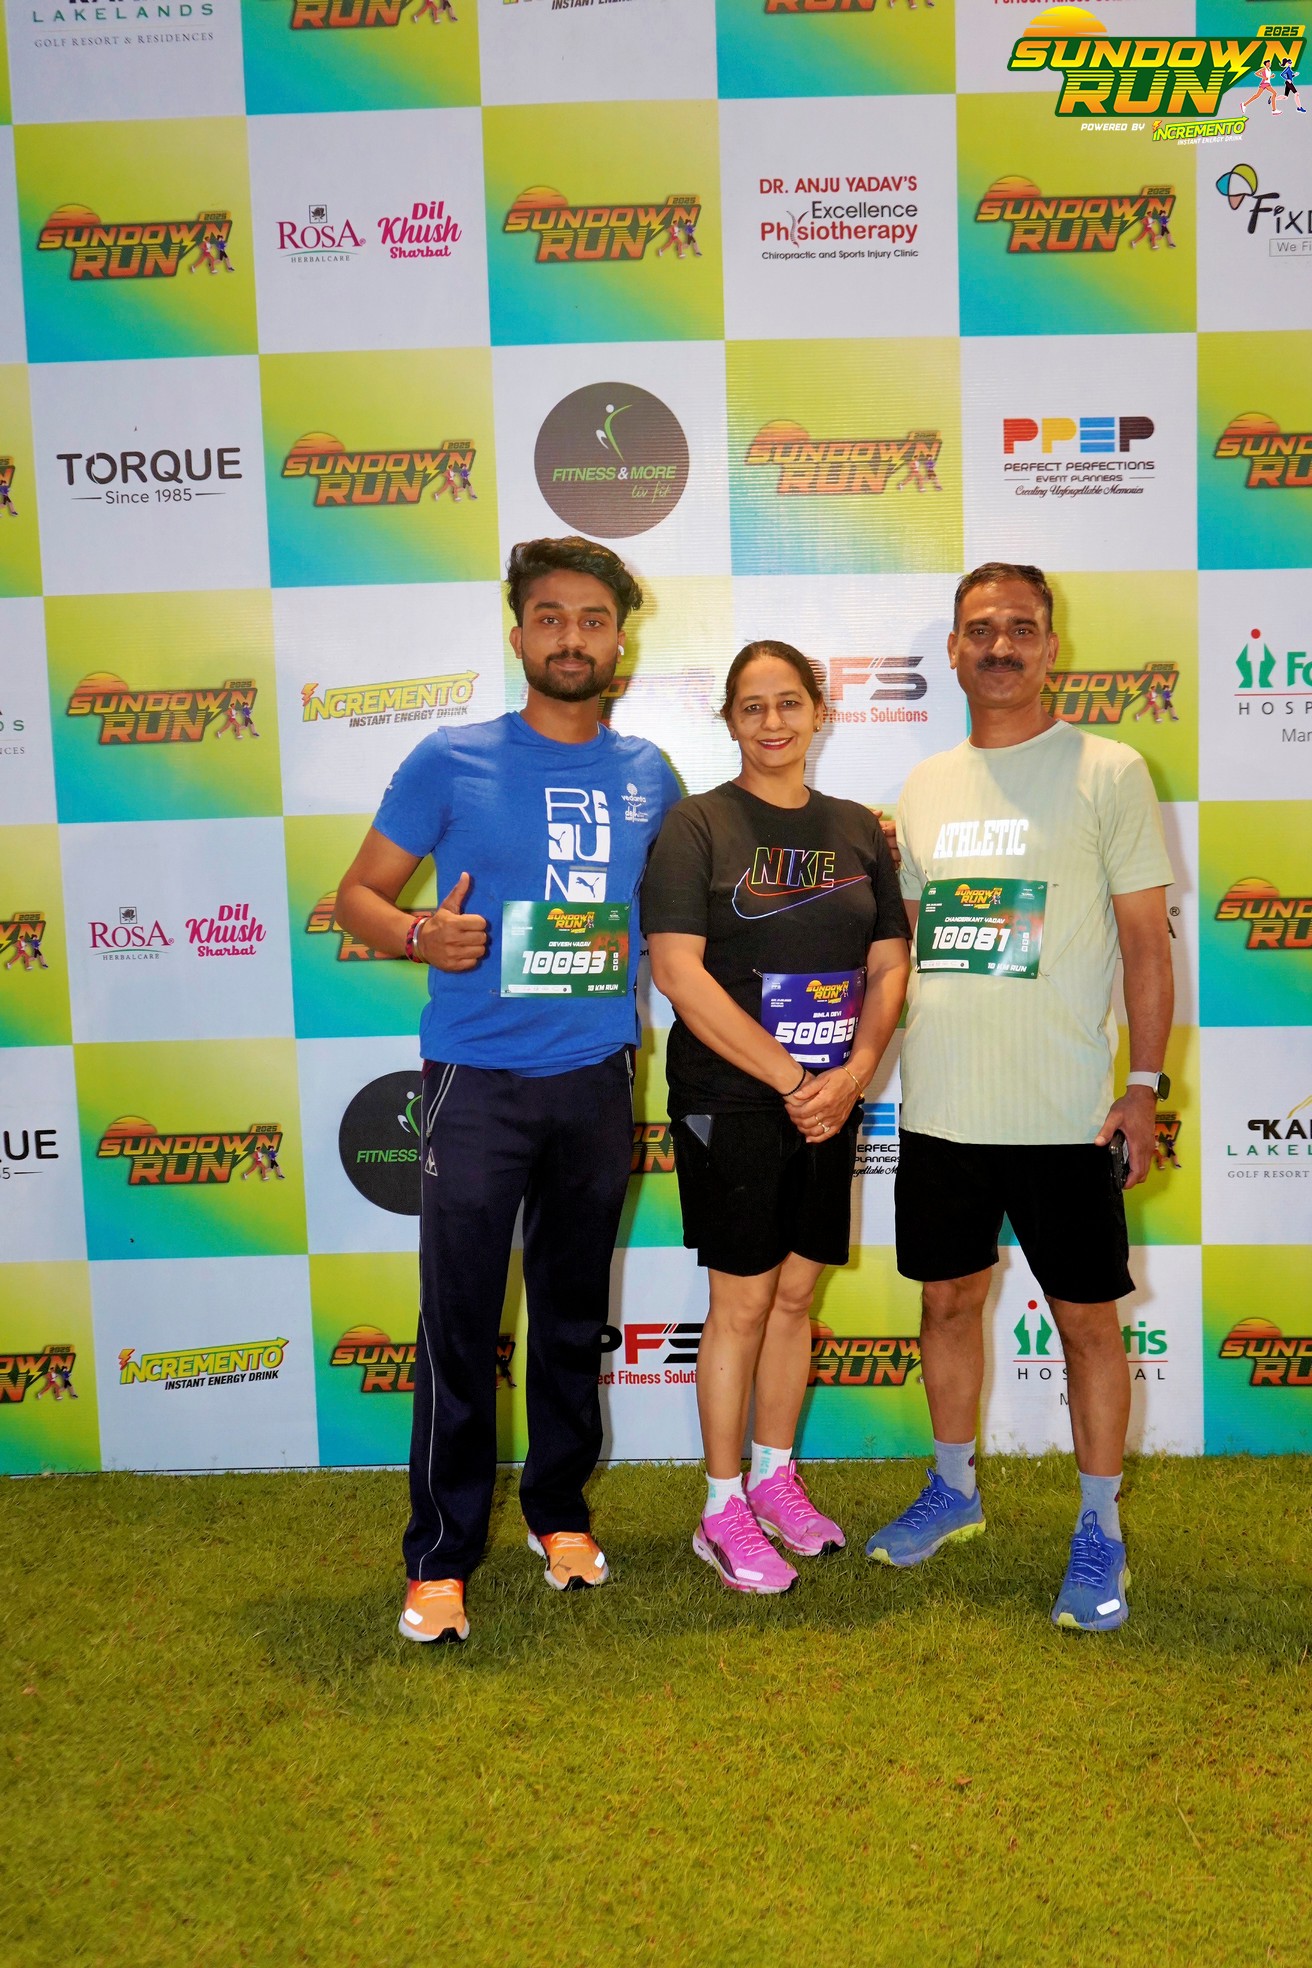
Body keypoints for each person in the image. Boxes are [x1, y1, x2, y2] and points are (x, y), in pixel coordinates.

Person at [336, 537, 680, 1644]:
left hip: (596, 1078)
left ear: (619, 639)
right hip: (475, 1083)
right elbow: (357, 896)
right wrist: (417, 935)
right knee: (459, 1325)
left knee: (573, 1315)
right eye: (550, 617)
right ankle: (439, 1558)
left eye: (592, 619)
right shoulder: (450, 759)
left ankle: (559, 1513)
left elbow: (693, 908)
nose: (571, 637)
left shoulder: (651, 775)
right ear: (520, 632)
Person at [865, 564, 1174, 1634]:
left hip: (1066, 1115)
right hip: (941, 1111)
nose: (1000, 645)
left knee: (1086, 1323)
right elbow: (909, 945)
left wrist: (1143, 1086)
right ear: (953, 650)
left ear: (1051, 648)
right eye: (980, 629)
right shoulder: (924, 786)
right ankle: (953, 1490)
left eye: (1021, 629)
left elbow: (1147, 945)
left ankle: (1099, 1525)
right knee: (945, 1304)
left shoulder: (1109, 770)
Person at [644, 642, 910, 1594]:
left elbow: (889, 963)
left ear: (818, 712)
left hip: (832, 1097)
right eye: (752, 707)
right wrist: (795, 1078)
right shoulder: (697, 825)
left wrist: (856, 1070)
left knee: (796, 1296)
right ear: (729, 720)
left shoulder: (857, 829)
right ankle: (721, 1507)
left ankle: (773, 1477)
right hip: (735, 1100)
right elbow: (678, 973)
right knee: (744, 1301)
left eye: (789, 702)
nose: (773, 722)